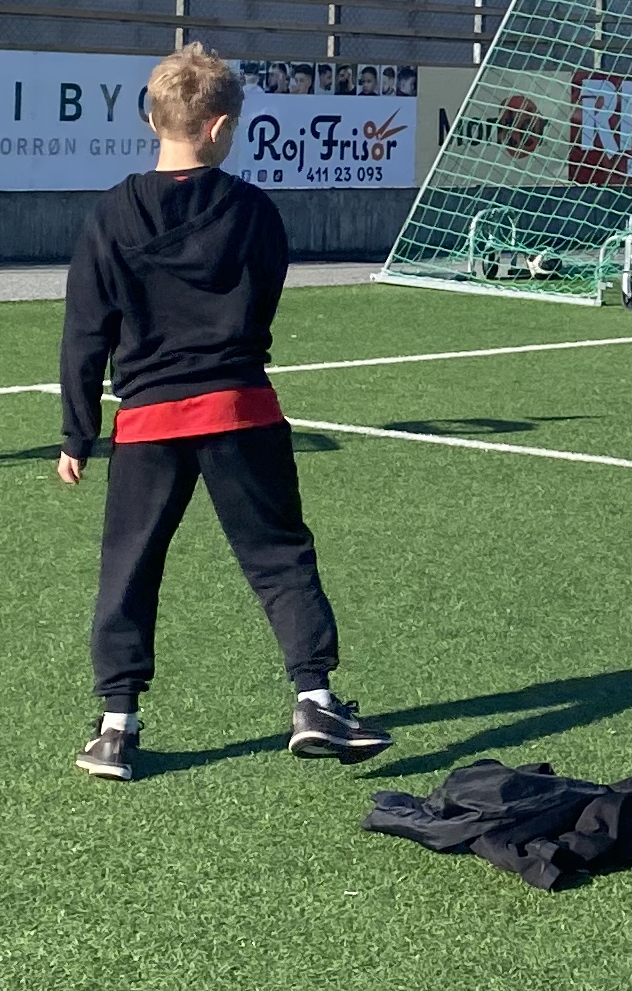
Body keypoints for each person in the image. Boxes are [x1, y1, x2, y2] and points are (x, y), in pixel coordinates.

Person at [57, 44, 388, 779]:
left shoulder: (112, 213)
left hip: (147, 422)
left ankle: (116, 724)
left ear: (154, 117)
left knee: (130, 568)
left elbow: (85, 328)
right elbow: (263, 298)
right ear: (218, 127)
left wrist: (77, 430)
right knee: (279, 559)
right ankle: (314, 698)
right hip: (240, 408)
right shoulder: (253, 210)